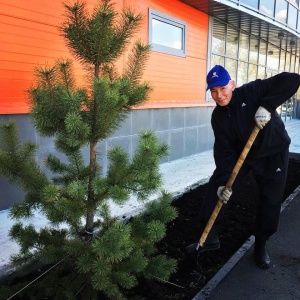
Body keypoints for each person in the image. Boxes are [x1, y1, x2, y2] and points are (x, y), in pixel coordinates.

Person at [190, 65, 300, 269]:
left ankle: (260, 244)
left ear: (232, 85)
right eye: (213, 91)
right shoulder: (218, 117)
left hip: (272, 151)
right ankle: (209, 237)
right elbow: (224, 151)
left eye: (223, 88)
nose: (219, 95)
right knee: (216, 185)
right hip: (244, 155)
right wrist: (224, 183)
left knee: (270, 199)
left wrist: (266, 106)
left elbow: (293, 79)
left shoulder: (252, 91)